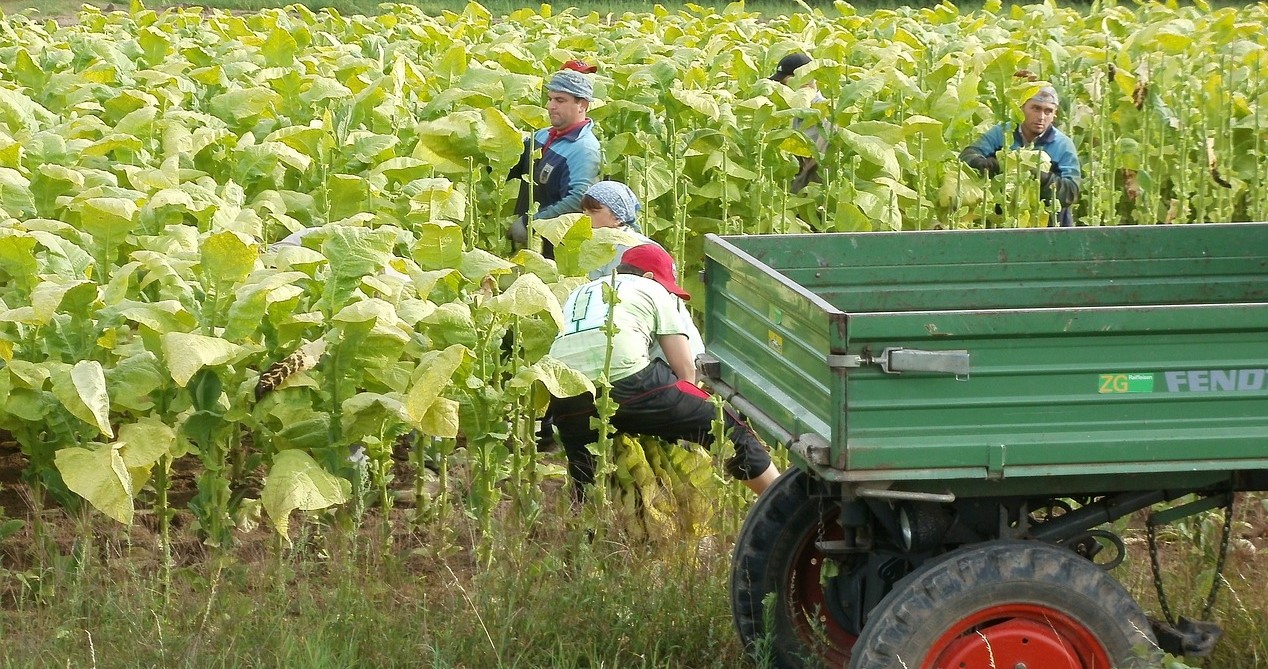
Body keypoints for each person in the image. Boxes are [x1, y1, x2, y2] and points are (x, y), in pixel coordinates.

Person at [548, 244, 780, 500]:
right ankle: (782, 502)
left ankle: (589, 530)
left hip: (566, 390)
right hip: (630, 381)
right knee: (726, 429)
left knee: (586, 476)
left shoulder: (580, 291)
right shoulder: (651, 288)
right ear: (649, 276)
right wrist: (679, 425)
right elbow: (685, 371)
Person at [507, 66, 603, 259]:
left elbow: (578, 199)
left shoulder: (584, 149)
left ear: (582, 105)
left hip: (556, 249)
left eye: (560, 100)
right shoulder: (543, 135)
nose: (551, 106)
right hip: (529, 245)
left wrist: (532, 223)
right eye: (550, 99)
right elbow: (514, 162)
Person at [959, 85, 1082, 227]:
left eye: (1048, 111)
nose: (1041, 117)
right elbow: (967, 155)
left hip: (1049, 229)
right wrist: (983, 163)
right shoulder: (1002, 133)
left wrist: (1041, 178)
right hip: (1001, 224)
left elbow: (1070, 192)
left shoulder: (1062, 145)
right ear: (1022, 108)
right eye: (1035, 108)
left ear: (1055, 114)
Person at [770, 52, 828, 193]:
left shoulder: (825, 114)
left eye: (785, 83)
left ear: (806, 81)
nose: (783, 90)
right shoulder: (794, 109)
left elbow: (815, 164)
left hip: (815, 194)